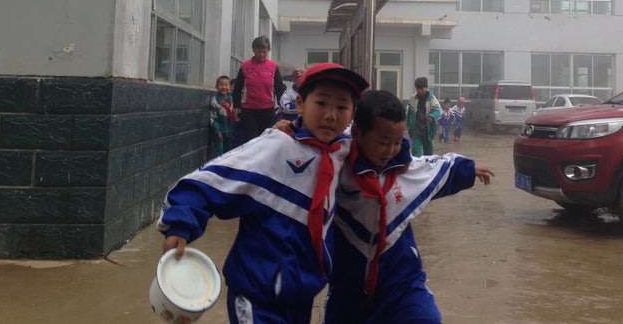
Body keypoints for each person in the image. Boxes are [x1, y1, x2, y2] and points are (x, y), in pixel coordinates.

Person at [158, 62, 369, 324]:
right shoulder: (276, 146)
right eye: (322, 103)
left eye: (341, 107)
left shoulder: (344, 151)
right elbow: (211, 179)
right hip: (257, 294)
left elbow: (385, 147)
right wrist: (180, 224)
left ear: (352, 115)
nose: (330, 115)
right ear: (301, 104)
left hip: (300, 295)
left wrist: (400, 150)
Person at [325, 90, 494, 324]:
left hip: (401, 281)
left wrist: (467, 170)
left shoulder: (403, 169)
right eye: (383, 142)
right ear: (357, 133)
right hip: (347, 287)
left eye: (396, 142)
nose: (390, 150)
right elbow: (300, 153)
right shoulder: (334, 165)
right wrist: (289, 130)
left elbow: (434, 169)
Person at [232, 35, 286, 145]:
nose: (261, 54)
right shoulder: (245, 66)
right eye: (258, 51)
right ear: (253, 50)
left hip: (268, 110)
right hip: (249, 111)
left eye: (264, 52)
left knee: (266, 141)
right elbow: (237, 88)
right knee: (251, 141)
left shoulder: (273, 67)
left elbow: (279, 88)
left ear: (268, 51)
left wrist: (282, 106)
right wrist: (236, 107)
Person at [406, 76, 441, 156]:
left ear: (426, 87)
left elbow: (437, 110)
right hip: (416, 132)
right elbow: (410, 114)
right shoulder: (413, 98)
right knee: (416, 153)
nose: (419, 91)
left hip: (428, 132)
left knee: (429, 156)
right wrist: (409, 126)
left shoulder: (432, 98)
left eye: (421, 89)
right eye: (417, 89)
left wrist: (432, 116)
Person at [209, 76, 236, 156]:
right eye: (221, 85)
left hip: (230, 130)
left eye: (226, 85)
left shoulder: (233, 100)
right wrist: (217, 131)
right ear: (217, 87)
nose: (224, 87)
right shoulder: (215, 101)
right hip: (220, 131)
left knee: (229, 152)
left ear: (230, 87)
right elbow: (212, 118)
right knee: (220, 151)